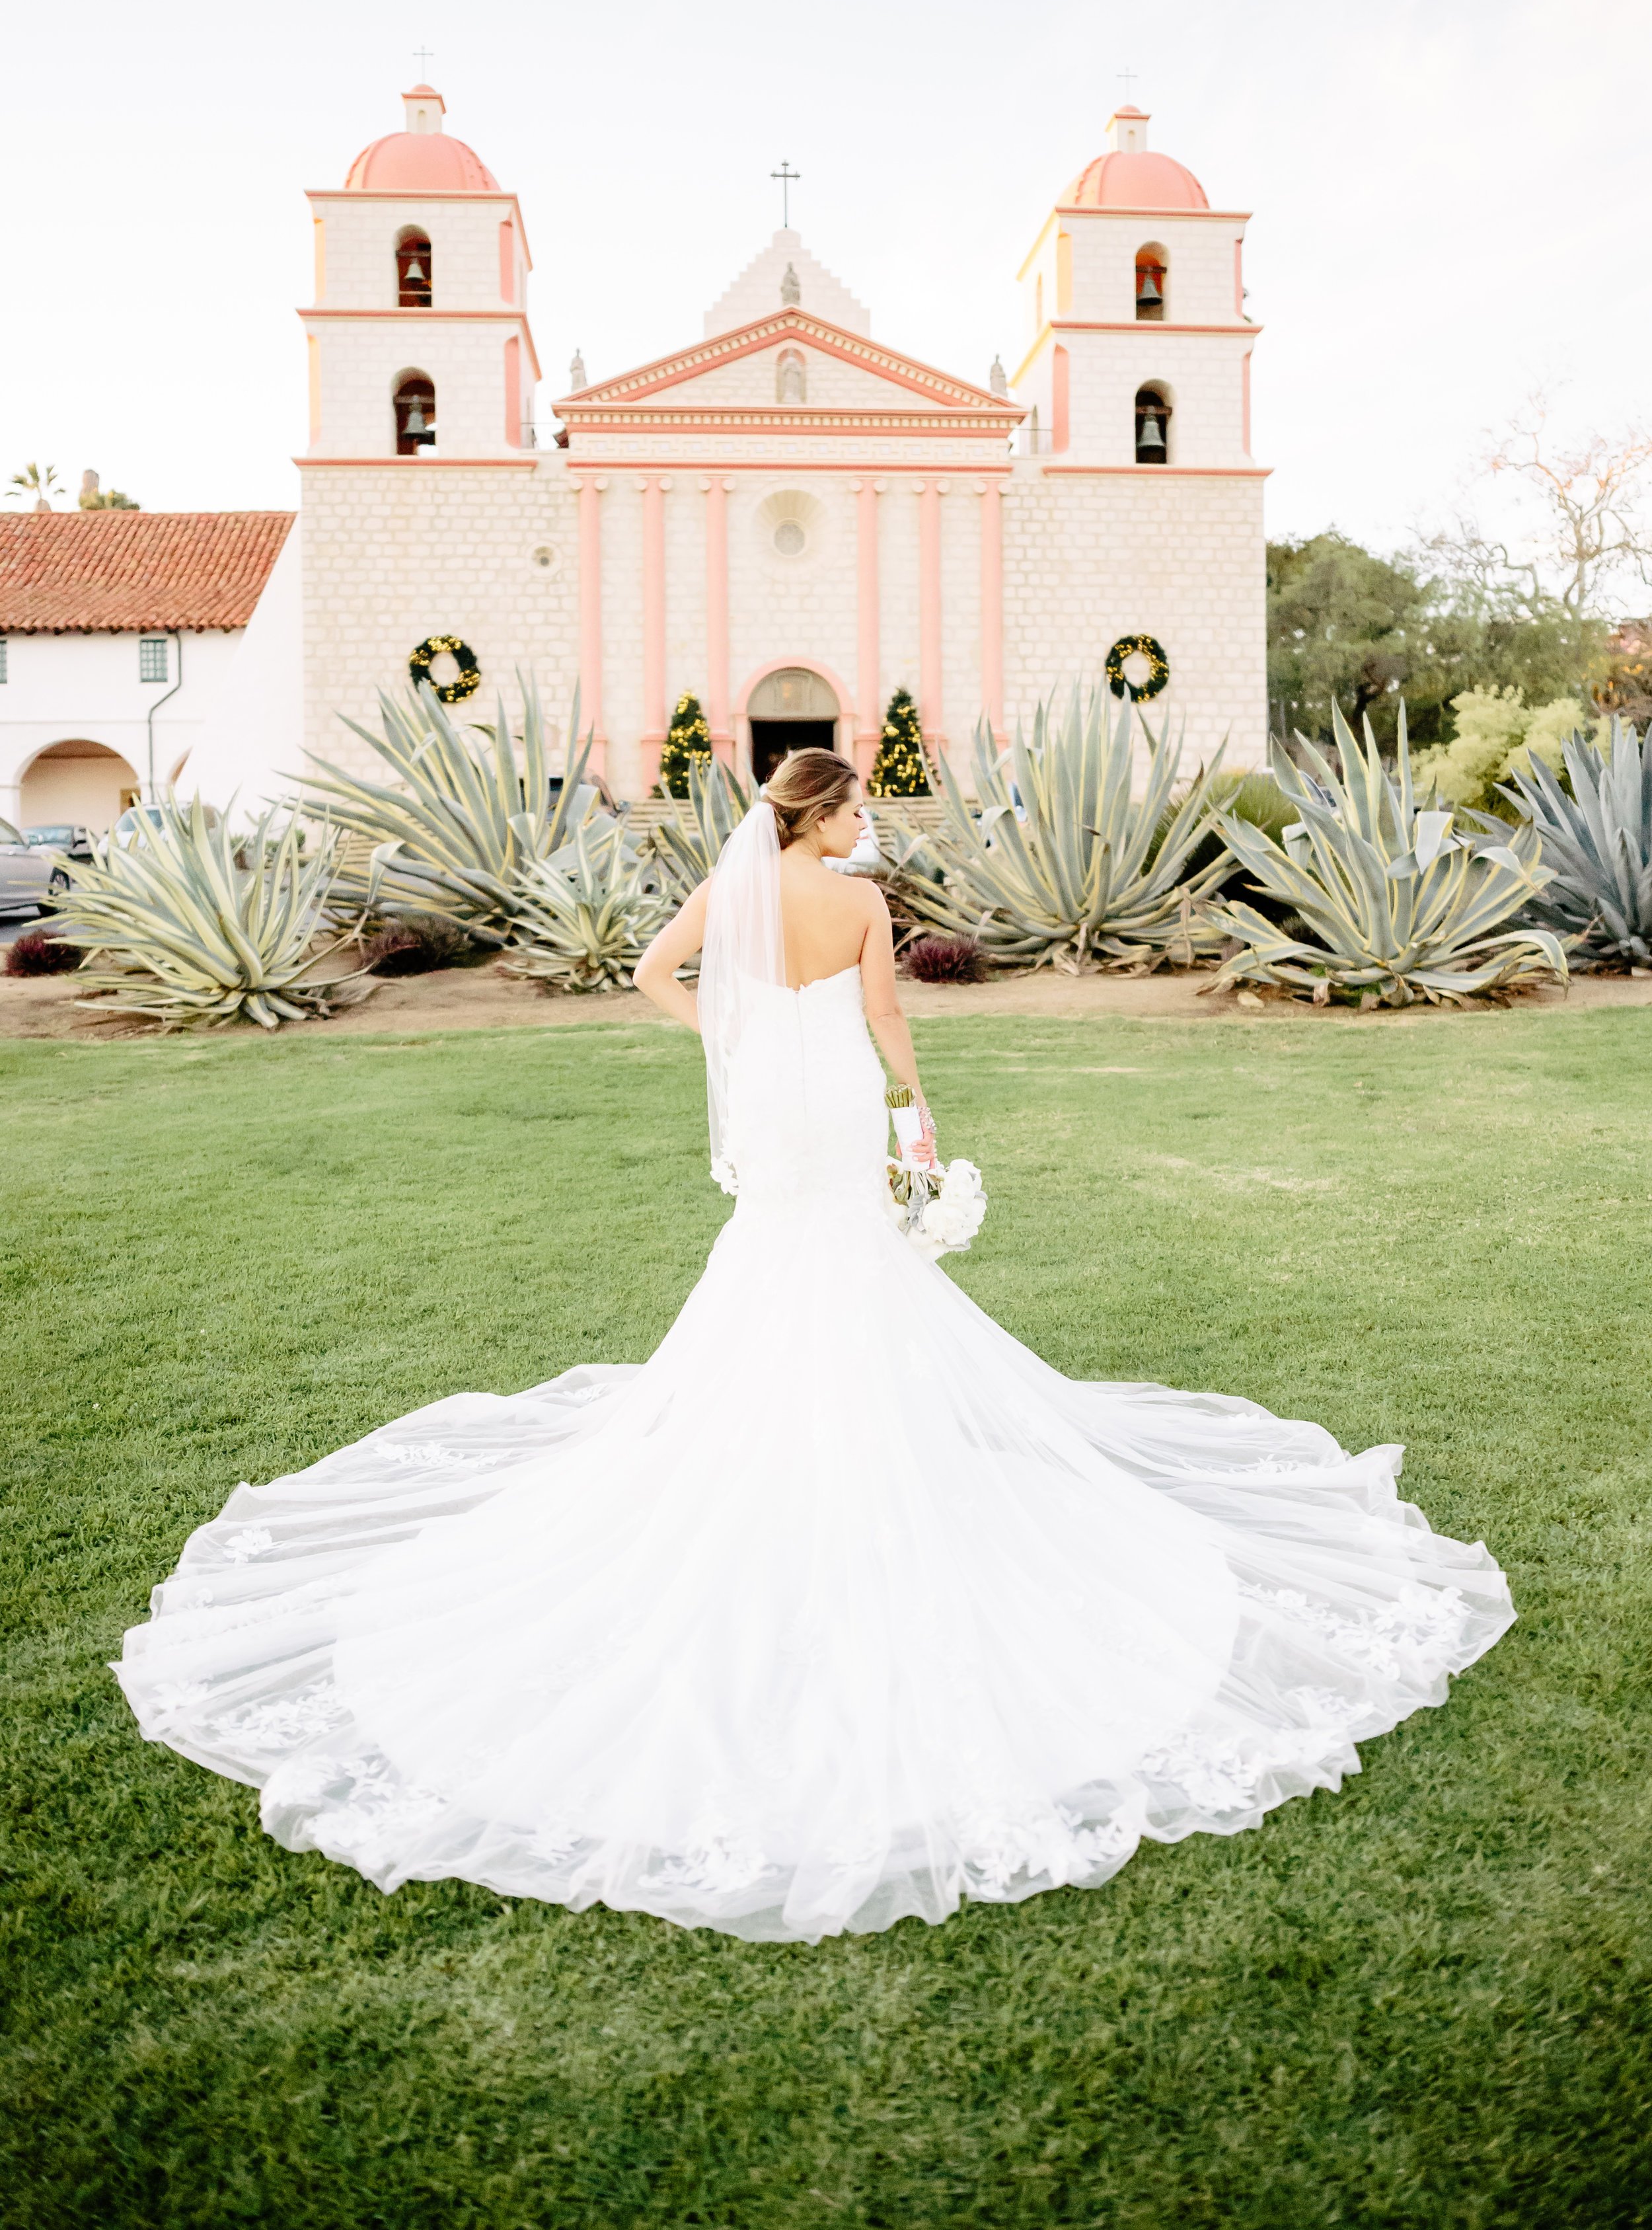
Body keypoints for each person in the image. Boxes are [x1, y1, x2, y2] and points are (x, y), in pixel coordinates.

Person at [114, 747, 1513, 1944]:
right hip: (835, 1093)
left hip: (767, 1092)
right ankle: (849, 1450)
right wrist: (917, 1117)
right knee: (845, 1259)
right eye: (854, 811)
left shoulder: (730, 891)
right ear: (821, 815)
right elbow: (890, 1014)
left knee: (775, 1259)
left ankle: (783, 1441)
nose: (865, 829)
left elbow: (659, 975)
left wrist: (725, 1033)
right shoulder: (851, 899)